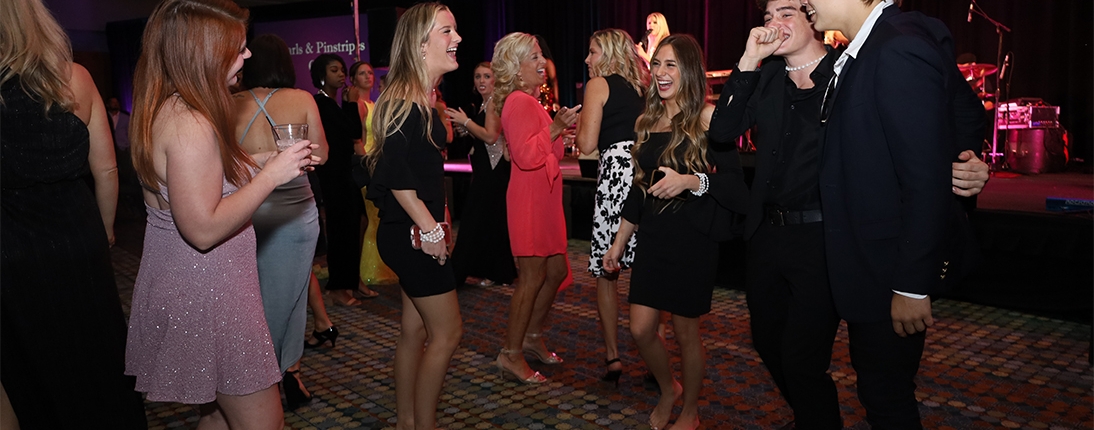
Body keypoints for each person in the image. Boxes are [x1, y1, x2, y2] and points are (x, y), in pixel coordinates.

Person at [708, 0, 990, 428]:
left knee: (849, 375)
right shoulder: (776, 74)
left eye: (789, 12)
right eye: (768, 16)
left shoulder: (862, 59)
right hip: (775, 234)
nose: (777, 22)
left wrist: (962, 159)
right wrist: (749, 60)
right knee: (774, 345)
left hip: (834, 238)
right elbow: (722, 131)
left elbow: (941, 126)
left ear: (810, 22)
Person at [124, 0, 316, 427]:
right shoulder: (191, 124)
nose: (247, 55)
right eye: (237, 47)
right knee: (265, 423)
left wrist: (263, 161)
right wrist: (273, 177)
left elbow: (200, 178)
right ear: (205, 53)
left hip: (189, 283)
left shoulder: (169, 108)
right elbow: (203, 229)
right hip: (210, 293)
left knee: (216, 419)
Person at [798, 0, 984, 427]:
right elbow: (965, 114)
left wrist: (912, 287)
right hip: (869, 260)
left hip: (889, 271)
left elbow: (923, 179)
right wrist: (961, 159)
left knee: (886, 396)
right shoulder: (877, 43)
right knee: (879, 387)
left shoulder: (897, 47)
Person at [0, 0, 147, 427]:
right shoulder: (76, 78)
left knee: (26, 358)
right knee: (94, 347)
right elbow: (107, 169)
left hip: (9, 246)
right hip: (77, 235)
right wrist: (103, 231)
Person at [604, 34, 750, 430]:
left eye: (671, 64)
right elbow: (638, 190)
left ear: (688, 70)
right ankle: (670, 389)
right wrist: (618, 244)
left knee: (687, 333)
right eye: (657, 64)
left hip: (693, 239)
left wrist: (690, 181)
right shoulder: (645, 122)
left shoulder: (707, 119)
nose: (661, 72)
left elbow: (737, 188)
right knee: (640, 328)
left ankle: (690, 411)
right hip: (654, 238)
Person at [365, 3, 464, 429]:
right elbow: (395, 175)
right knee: (448, 333)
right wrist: (431, 230)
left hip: (407, 230)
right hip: (412, 234)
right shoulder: (406, 101)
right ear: (420, 45)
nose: (457, 38)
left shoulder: (419, 97)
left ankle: (408, 422)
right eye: (447, 31)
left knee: (416, 331)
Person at [233, 33, 330, 410]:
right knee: (290, 297)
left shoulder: (230, 103)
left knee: (256, 297)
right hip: (295, 213)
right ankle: (270, 377)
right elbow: (322, 154)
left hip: (247, 209)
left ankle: (285, 372)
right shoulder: (302, 99)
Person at [490, 32, 581, 384]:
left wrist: (556, 131)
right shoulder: (518, 101)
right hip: (530, 199)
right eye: (534, 57)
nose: (542, 62)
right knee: (531, 279)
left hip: (544, 197)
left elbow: (544, 151)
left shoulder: (530, 102)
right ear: (515, 67)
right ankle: (510, 353)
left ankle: (531, 336)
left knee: (555, 271)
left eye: (540, 54)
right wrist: (555, 128)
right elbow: (527, 156)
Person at [574, 28, 649, 385]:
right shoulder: (645, 88)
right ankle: (655, 354)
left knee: (608, 273)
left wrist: (578, 124)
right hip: (646, 176)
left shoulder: (598, 85)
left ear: (609, 54)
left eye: (592, 52)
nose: (587, 60)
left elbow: (587, 144)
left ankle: (613, 356)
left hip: (616, 178)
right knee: (648, 271)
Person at [445, 62, 518, 287]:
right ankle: (496, 271)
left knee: (475, 220)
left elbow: (490, 136)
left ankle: (462, 274)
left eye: (486, 76)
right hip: (485, 169)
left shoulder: (495, 101)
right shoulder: (485, 103)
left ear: (496, 79)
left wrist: (465, 122)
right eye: (478, 77)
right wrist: (467, 129)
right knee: (488, 221)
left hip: (493, 171)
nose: (481, 81)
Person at [311, 53, 369, 306]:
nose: (341, 74)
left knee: (358, 222)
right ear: (322, 75)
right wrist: (351, 104)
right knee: (341, 230)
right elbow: (353, 132)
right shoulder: (321, 103)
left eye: (342, 69)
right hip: (333, 176)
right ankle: (338, 287)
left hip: (344, 174)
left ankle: (351, 280)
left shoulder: (332, 103)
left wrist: (347, 104)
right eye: (334, 70)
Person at [346, 60, 397, 290]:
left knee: (377, 216)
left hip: (378, 160)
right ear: (353, 79)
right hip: (367, 162)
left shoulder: (374, 104)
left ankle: (379, 264)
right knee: (371, 216)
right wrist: (368, 165)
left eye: (369, 72)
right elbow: (357, 140)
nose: (368, 76)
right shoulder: (358, 105)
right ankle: (368, 269)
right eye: (362, 73)